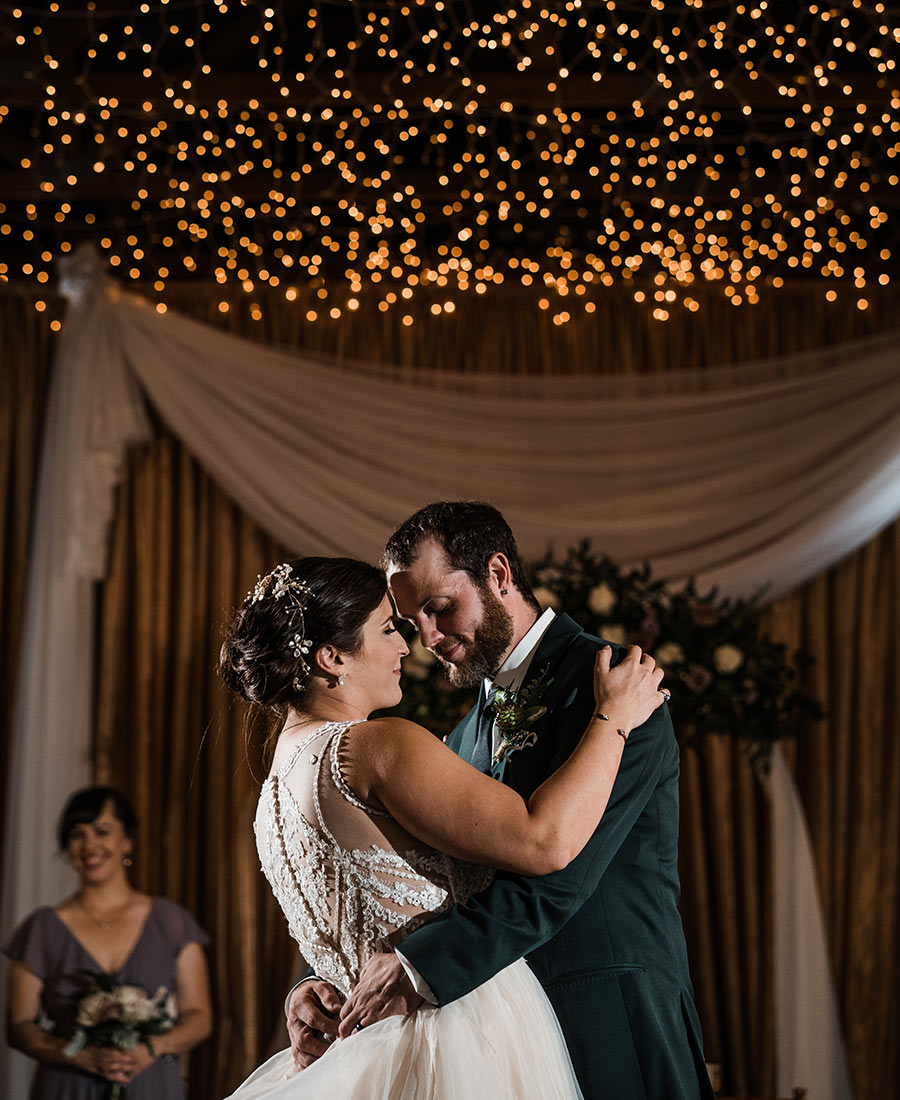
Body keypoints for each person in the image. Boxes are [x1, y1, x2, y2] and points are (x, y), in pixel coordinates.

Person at [289, 502, 715, 1100]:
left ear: (498, 574)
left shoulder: (615, 687)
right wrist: (329, 980)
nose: (429, 639)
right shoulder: (462, 733)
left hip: (610, 1012)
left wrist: (419, 969)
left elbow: (559, 876)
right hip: (503, 1032)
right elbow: (416, 878)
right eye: (412, 622)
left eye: (439, 608)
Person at [218, 555, 666, 1098]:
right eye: (388, 630)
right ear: (333, 657)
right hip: (453, 1032)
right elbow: (542, 840)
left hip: (364, 1042)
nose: (408, 646)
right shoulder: (377, 745)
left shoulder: (275, 786)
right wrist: (612, 719)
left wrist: (314, 987)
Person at [3, 786, 213, 1099]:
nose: (90, 845)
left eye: (102, 831)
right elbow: (19, 1026)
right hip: (67, 1086)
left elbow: (199, 1016)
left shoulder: (172, 923)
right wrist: (75, 1053)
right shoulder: (42, 929)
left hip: (150, 1082)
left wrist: (151, 1047)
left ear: (127, 841)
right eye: (77, 834)